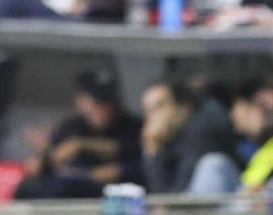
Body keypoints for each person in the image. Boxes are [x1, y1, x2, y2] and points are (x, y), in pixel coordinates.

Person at [14, 68, 143, 199]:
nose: (104, 108)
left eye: (108, 101)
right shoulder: (71, 127)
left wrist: (81, 145)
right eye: (97, 101)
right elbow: (42, 166)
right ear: (81, 100)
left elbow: (127, 156)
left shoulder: (133, 127)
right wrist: (44, 156)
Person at [141, 80, 240, 195]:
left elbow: (177, 198)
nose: (152, 116)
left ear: (184, 108)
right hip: (200, 207)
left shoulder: (203, 129)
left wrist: (154, 151)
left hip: (234, 204)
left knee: (213, 164)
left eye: (159, 107)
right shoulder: (167, 139)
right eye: (148, 110)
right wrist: (154, 151)